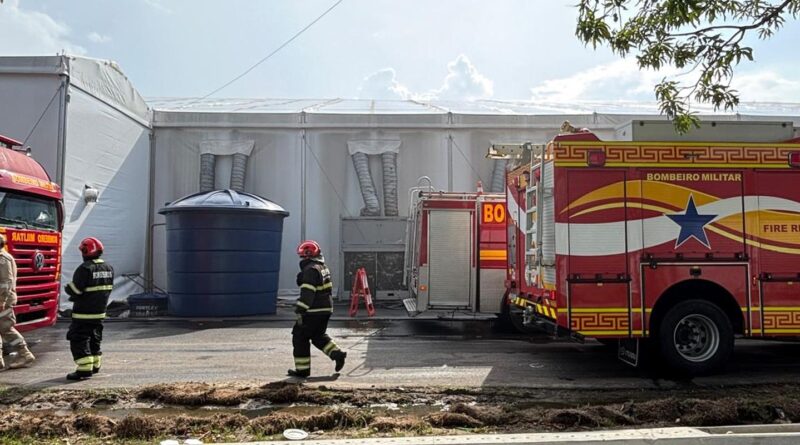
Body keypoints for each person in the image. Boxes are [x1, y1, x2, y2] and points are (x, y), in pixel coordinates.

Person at [289, 240, 346, 378]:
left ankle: (302, 371)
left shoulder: (310, 270)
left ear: (306, 256)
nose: (301, 259)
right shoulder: (322, 267)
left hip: (313, 311)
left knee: (300, 336)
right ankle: (337, 354)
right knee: (317, 336)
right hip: (325, 309)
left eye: (302, 256)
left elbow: (308, 293)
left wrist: (300, 309)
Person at [64, 237, 113, 381]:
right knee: (95, 337)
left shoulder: (85, 269)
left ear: (85, 251)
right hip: (99, 312)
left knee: (78, 338)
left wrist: (68, 289)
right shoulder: (108, 267)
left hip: (83, 313)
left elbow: (75, 290)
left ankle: (84, 370)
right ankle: (95, 365)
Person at [0, 234, 36, 370]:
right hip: (2, 299)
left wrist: (2, 300)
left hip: (3, 301)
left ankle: (25, 354)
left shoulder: (3, 259)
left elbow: (6, 283)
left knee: (7, 329)